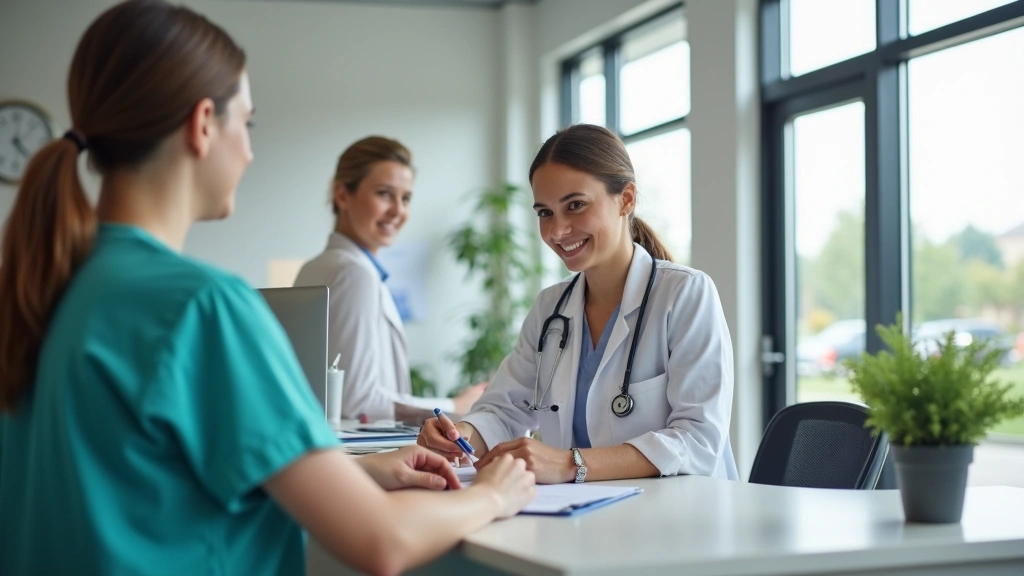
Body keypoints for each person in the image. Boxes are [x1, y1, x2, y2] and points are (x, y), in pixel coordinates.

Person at [0, 2, 534, 575]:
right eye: (246, 124)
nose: (249, 151)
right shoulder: (202, 306)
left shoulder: (46, 285)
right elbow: (382, 543)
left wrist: (358, 469)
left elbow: (148, 478)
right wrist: (494, 495)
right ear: (203, 123)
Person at [418, 124, 739, 483]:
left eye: (575, 205)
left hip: (678, 518)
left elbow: (698, 439)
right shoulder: (551, 308)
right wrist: (459, 434)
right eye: (545, 213)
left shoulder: (685, 294)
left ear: (626, 199)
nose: (557, 230)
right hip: (578, 515)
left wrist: (569, 464)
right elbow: (505, 410)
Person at [294, 137, 485, 421]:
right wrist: (454, 406)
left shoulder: (313, 268)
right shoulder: (354, 274)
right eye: (385, 194)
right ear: (342, 195)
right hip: (364, 455)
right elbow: (358, 401)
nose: (398, 210)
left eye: (406, 198)